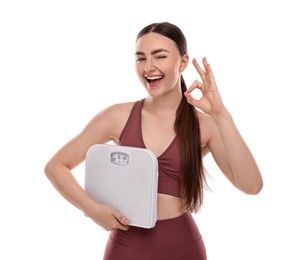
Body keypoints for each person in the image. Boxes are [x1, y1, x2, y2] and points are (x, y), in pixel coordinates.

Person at [44, 21, 263, 260]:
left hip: (183, 247)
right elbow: (56, 166)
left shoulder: (204, 125)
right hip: (125, 248)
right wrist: (91, 209)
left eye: (160, 56)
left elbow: (251, 186)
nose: (148, 67)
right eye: (140, 58)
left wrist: (221, 115)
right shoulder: (117, 116)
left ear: (183, 62)